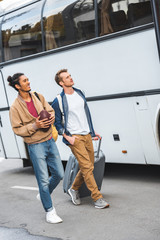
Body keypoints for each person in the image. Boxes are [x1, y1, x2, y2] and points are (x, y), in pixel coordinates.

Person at [8, 73, 64, 224]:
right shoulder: (15, 107)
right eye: (25, 81)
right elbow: (17, 129)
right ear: (18, 86)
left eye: (28, 79)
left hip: (49, 141)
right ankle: (50, 211)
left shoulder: (38, 96)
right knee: (43, 180)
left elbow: (50, 110)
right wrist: (35, 125)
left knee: (59, 173)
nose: (28, 82)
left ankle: (43, 194)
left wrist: (51, 117)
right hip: (35, 145)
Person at [52, 69, 109, 209]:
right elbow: (56, 123)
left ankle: (74, 188)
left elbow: (85, 114)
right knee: (87, 167)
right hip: (75, 137)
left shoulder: (79, 93)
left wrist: (92, 130)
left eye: (70, 76)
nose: (70, 78)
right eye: (66, 77)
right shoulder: (58, 100)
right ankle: (97, 198)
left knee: (89, 165)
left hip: (87, 134)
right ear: (61, 82)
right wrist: (67, 137)